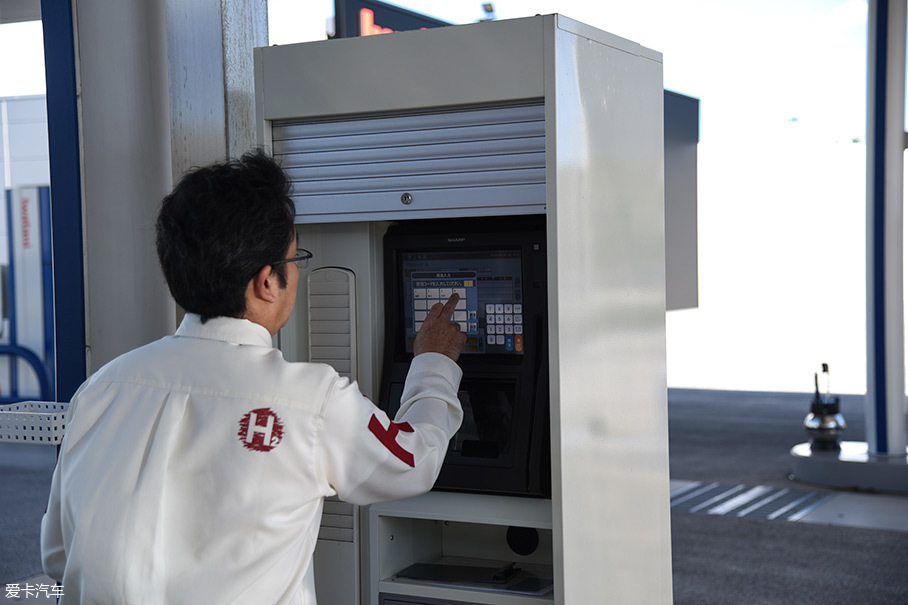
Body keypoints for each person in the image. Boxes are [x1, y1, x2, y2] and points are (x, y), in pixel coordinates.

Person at [40, 149, 466, 604]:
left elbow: (60, 556)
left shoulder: (101, 389)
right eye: (294, 256)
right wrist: (434, 363)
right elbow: (415, 461)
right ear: (267, 281)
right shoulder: (312, 401)